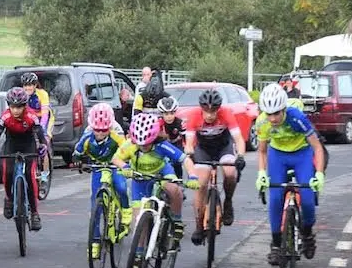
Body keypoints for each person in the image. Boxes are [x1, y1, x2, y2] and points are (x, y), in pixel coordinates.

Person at [255, 83, 326, 266]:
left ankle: (307, 233)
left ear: (284, 109)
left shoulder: (297, 118)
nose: (272, 118)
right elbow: (262, 151)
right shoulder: (262, 122)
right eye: (268, 113)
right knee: (276, 198)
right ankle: (277, 244)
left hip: (301, 154)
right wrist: (261, 173)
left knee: (308, 199)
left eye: (276, 113)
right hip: (278, 155)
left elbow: (317, 147)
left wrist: (318, 174)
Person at [112, 113, 199, 253]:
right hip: (140, 178)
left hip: (162, 173)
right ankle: (138, 253)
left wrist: (193, 176)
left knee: (174, 189)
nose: (144, 146)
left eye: (147, 143)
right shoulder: (130, 145)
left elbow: (185, 160)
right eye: (140, 144)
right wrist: (125, 167)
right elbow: (115, 158)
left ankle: (176, 221)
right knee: (138, 218)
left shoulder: (162, 145)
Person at [182, 88, 247, 245]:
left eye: (214, 111)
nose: (210, 115)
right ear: (201, 109)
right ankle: (199, 226)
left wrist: (240, 156)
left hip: (223, 147)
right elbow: (189, 143)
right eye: (206, 111)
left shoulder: (226, 113)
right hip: (203, 150)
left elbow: (238, 139)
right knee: (201, 183)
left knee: (230, 172)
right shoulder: (194, 115)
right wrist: (190, 153)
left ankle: (228, 202)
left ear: (219, 109)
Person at [72, 103, 131, 258]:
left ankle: (125, 210)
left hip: (114, 164)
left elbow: (126, 149)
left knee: (121, 187)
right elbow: (78, 150)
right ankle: (95, 241)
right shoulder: (88, 132)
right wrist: (78, 159)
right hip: (98, 166)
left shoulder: (116, 130)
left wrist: (126, 165)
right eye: (97, 130)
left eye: (104, 130)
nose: (100, 133)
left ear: (109, 126)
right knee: (95, 206)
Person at [0, 87, 47, 231]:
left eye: (19, 107)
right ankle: (9, 199)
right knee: (7, 172)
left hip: (28, 145)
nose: (16, 110)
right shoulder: (5, 117)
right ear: (9, 106)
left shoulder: (32, 116)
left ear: (25, 106)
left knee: (29, 175)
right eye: (13, 107)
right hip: (12, 144)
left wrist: (43, 146)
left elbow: (40, 135)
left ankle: (34, 213)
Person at [21, 72, 53, 178]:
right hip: (31, 119)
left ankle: (45, 173)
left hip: (44, 118)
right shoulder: (21, 94)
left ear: (35, 85)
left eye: (30, 85)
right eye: (25, 85)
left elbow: (45, 114)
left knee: (44, 143)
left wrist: (42, 128)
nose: (28, 88)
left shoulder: (42, 94)